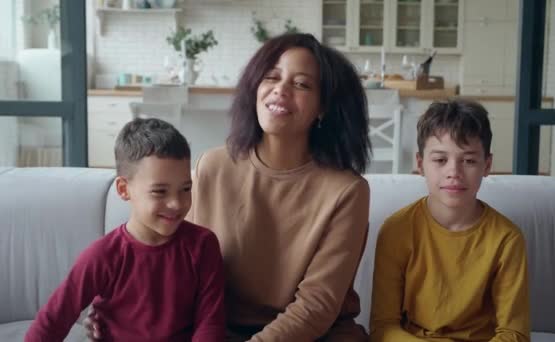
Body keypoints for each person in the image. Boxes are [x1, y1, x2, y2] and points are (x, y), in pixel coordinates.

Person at [86, 33, 372, 341]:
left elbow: (317, 306)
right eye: (271, 77)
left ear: (323, 107)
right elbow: (174, 261)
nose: (280, 89)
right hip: (217, 329)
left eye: (301, 84)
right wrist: (123, 310)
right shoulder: (214, 166)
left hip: (314, 336)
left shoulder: (347, 191)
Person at [26, 118, 225, 342]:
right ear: (123, 189)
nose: (176, 204)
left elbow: (211, 323)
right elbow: (52, 320)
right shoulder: (103, 256)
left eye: (185, 189)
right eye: (160, 192)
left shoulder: (203, 245)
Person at [370, 99, 530, 342]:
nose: (453, 172)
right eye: (440, 160)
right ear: (421, 165)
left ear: (486, 165)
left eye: (468, 160)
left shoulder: (507, 239)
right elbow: (383, 327)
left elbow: (514, 333)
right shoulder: (397, 230)